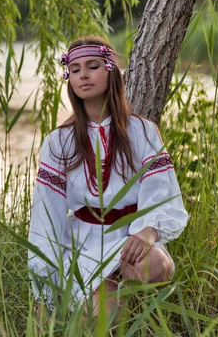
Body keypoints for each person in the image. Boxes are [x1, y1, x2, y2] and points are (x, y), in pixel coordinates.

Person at [28, 36, 188, 318]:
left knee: (156, 265)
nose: (84, 75)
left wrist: (147, 231)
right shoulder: (58, 142)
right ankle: (105, 294)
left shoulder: (142, 131)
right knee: (103, 321)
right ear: (69, 80)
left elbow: (163, 193)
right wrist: (42, 287)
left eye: (93, 66)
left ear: (111, 71)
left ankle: (125, 287)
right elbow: (46, 216)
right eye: (75, 70)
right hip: (83, 243)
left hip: (130, 235)